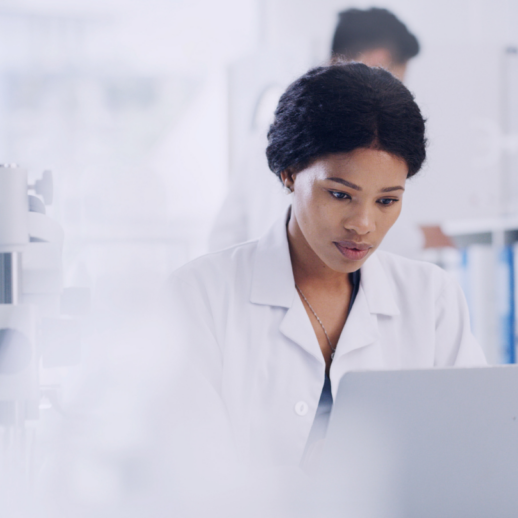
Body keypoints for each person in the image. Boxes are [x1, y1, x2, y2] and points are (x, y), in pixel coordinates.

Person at [170, 63, 486, 469]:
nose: (363, 224)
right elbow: (189, 477)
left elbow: (471, 449)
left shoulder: (430, 297)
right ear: (289, 173)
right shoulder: (199, 296)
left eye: (387, 201)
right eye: (340, 195)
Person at [208, 7, 421, 252]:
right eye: (398, 82)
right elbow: (395, 244)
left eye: (386, 200)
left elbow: (224, 237)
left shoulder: (272, 130)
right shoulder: (356, 136)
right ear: (379, 62)